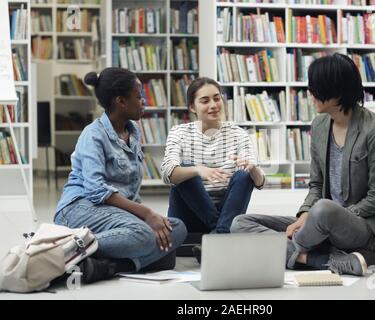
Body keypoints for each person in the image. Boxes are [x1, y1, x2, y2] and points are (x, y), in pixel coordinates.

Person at [231, 53, 375, 276]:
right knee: (240, 223)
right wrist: (305, 215)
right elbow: (316, 184)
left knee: (324, 209)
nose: (310, 94)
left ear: (337, 90)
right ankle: (314, 258)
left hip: (366, 225)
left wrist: (337, 216)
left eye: (316, 88)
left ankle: (287, 251)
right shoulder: (320, 124)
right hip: (322, 224)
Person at [53, 68, 187, 284]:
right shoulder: (93, 134)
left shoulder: (133, 130)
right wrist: (146, 214)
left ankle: (110, 267)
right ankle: (68, 248)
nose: (144, 101)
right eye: (138, 96)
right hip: (79, 208)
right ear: (121, 102)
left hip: (112, 211)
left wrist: (151, 219)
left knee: (176, 229)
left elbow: (131, 190)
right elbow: (96, 190)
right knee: (146, 237)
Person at [161, 77, 265, 259]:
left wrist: (253, 169)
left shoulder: (238, 134)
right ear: (192, 107)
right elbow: (168, 174)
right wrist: (198, 170)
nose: (214, 105)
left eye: (217, 98)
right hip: (188, 211)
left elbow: (260, 182)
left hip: (226, 209)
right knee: (185, 170)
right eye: (205, 100)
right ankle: (221, 234)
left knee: (244, 174)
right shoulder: (179, 132)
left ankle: (220, 233)